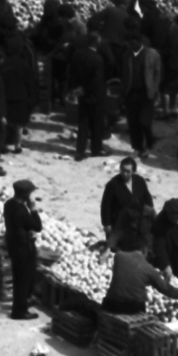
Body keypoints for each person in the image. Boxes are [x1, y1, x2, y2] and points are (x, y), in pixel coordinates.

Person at [103, 221, 178, 316]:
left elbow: (129, 275)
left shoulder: (119, 256)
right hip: (133, 309)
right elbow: (166, 289)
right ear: (144, 250)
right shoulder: (149, 269)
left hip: (111, 305)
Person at [4, 179, 43, 320]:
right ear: (26, 195)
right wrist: (33, 208)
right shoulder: (22, 211)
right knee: (23, 280)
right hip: (23, 248)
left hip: (13, 244)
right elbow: (37, 226)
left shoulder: (9, 204)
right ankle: (19, 311)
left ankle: (22, 302)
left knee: (19, 277)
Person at [69, 31, 107, 160]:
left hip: (82, 93)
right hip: (95, 94)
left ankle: (80, 150)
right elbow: (97, 80)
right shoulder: (98, 59)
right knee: (96, 123)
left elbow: (71, 73)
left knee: (83, 123)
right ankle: (96, 149)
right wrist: (85, 90)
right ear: (96, 42)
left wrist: (77, 89)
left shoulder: (77, 54)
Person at [100, 156, 153, 242]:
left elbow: (147, 198)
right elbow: (105, 205)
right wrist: (107, 224)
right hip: (118, 223)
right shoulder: (112, 185)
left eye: (128, 171)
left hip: (136, 222)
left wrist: (149, 215)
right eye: (123, 170)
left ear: (133, 171)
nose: (124, 173)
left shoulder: (139, 181)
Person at [126, 31, 161, 157]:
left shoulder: (152, 54)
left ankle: (148, 144)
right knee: (133, 122)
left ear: (138, 42)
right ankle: (138, 147)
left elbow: (157, 72)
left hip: (146, 92)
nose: (130, 44)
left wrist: (155, 89)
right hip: (131, 92)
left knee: (144, 121)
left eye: (132, 42)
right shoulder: (126, 54)